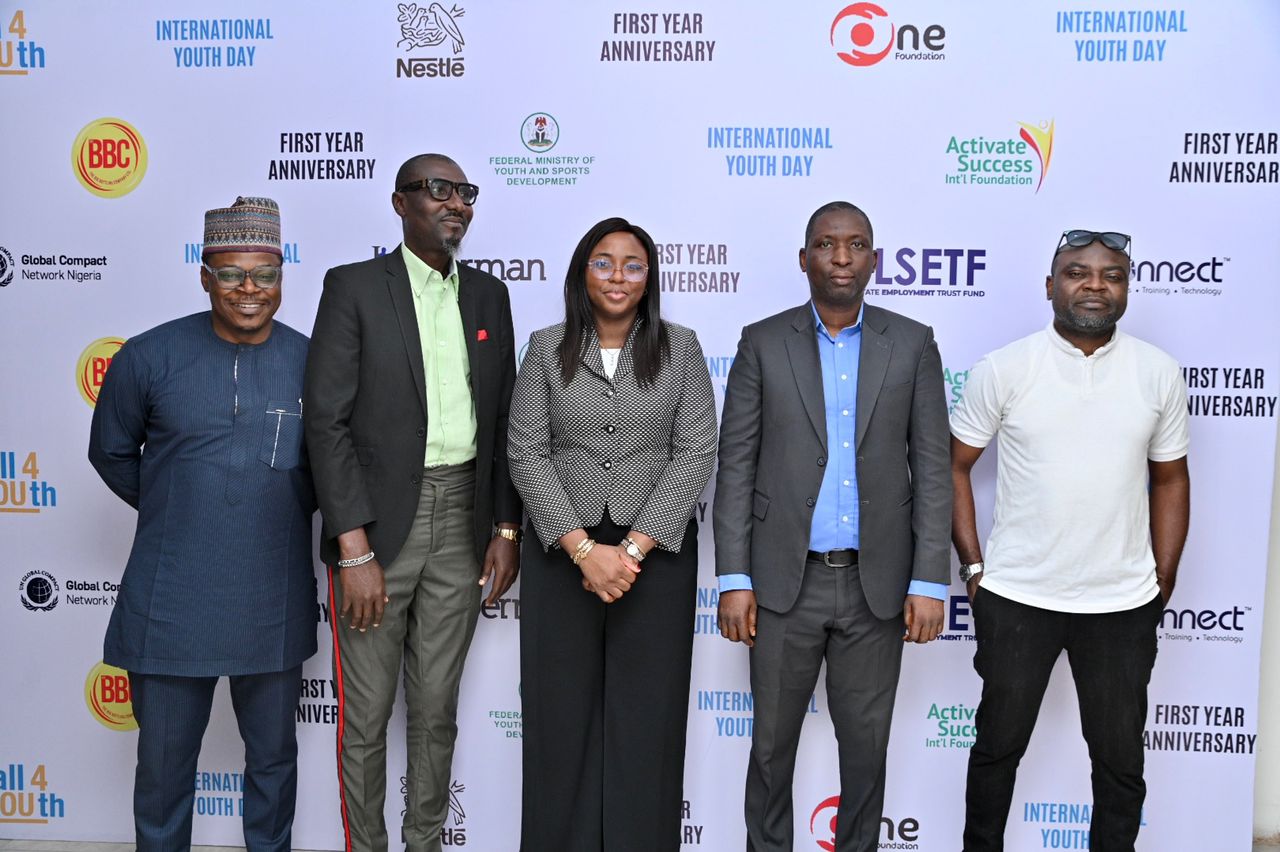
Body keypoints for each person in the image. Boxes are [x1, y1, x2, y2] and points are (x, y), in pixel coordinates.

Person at [714, 201, 952, 852]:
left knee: (867, 754)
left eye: (855, 245)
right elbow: (735, 464)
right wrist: (733, 576)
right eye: (826, 244)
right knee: (769, 752)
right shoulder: (763, 342)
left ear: (875, 259)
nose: (841, 257)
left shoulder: (912, 343)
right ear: (804, 259)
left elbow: (933, 468)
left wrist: (931, 578)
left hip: (876, 587)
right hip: (782, 587)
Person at [303, 154, 522, 852]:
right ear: (400, 204)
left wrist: (507, 526)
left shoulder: (488, 296)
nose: (455, 204)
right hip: (376, 527)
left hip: (463, 521)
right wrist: (353, 545)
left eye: (465, 194)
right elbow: (326, 423)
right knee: (366, 717)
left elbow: (507, 419)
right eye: (439, 191)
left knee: (436, 712)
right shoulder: (355, 288)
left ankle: (424, 842)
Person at [950, 229, 1190, 851]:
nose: (1094, 285)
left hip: (1120, 606)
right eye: (1078, 272)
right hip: (1019, 597)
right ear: (1050, 285)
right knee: (996, 753)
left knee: (1119, 768)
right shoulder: (1005, 368)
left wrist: (1161, 577)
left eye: (1111, 275)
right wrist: (975, 569)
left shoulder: (1158, 372)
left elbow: (1170, 478)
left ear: (1127, 289)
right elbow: (953, 468)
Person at [88, 196, 315, 852]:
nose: (250, 289)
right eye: (231, 273)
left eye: (264, 274)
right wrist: (178, 505)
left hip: (272, 601)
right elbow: (110, 452)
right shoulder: (148, 357)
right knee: (162, 772)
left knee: (273, 765)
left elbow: (334, 468)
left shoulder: (314, 360)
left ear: (280, 275)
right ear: (204, 275)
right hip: (170, 603)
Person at [507, 217, 718, 851]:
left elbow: (697, 449)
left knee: (646, 724)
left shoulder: (680, 346)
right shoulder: (547, 348)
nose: (618, 276)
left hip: (652, 560)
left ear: (649, 276)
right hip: (562, 556)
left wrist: (629, 551)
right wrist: (580, 548)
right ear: (582, 273)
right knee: (559, 720)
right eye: (604, 262)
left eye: (632, 264)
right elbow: (525, 449)